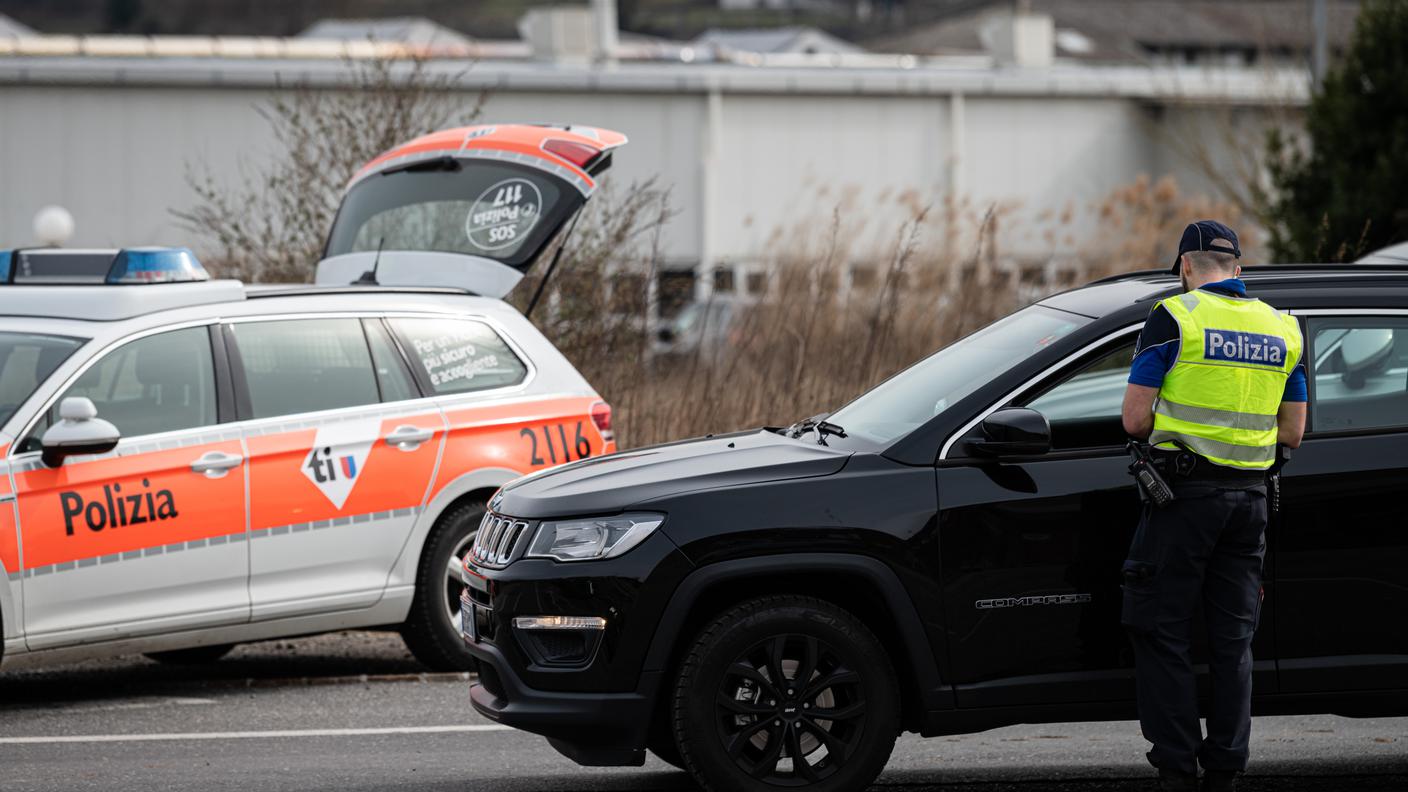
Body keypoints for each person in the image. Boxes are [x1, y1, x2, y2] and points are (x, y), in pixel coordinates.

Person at [1119, 220, 1307, 792]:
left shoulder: (1175, 318)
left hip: (1183, 497)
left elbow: (1134, 418)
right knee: (1233, 639)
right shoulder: (1285, 329)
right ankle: (1225, 766)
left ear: (1185, 268)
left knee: (1161, 627)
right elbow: (1292, 433)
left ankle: (1178, 764)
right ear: (1239, 270)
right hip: (1250, 501)